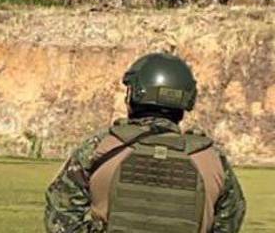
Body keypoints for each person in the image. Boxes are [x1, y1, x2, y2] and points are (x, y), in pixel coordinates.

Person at [45, 53, 246, 233]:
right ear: (186, 101)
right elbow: (230, 219)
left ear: (135, 95)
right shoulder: (211, 158)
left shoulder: (101, 147)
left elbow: (61, 216)